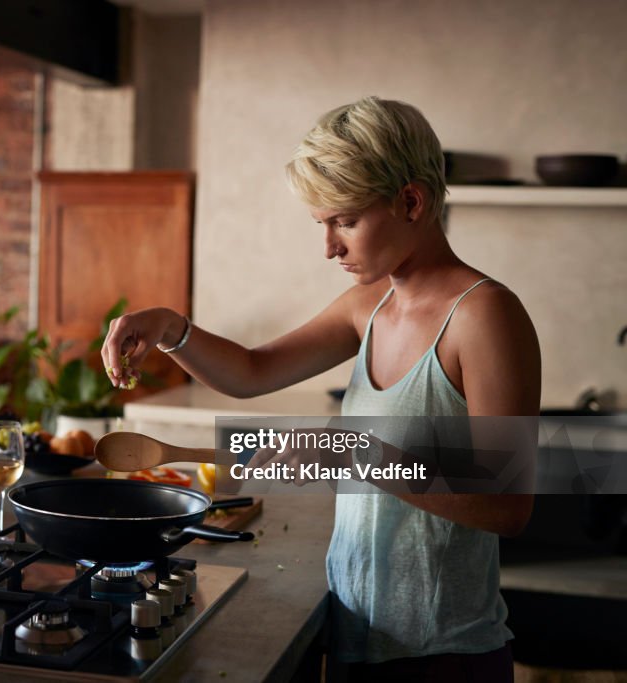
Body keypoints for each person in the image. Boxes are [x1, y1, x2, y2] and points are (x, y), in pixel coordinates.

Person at [101, 96, 540, 682]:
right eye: (322, 224)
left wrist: (363, 457)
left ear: (412, 201)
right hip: (355, 635)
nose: (329, 247)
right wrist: (170, 329)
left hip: (444, 655)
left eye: (346, 221)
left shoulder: (484, 317)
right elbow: (252, 372)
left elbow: (509, 507)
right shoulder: (370, 305)